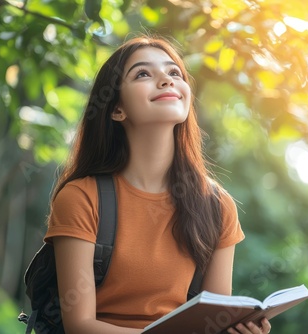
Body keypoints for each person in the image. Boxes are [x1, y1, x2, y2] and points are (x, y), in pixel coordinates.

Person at [44, 35, 272, 334]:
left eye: (174, 72)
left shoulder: (217, 205)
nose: (166, 80)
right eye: (142, 74)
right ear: (116, 109)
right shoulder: (82, 198)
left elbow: (212, 321)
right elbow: (80, 325)